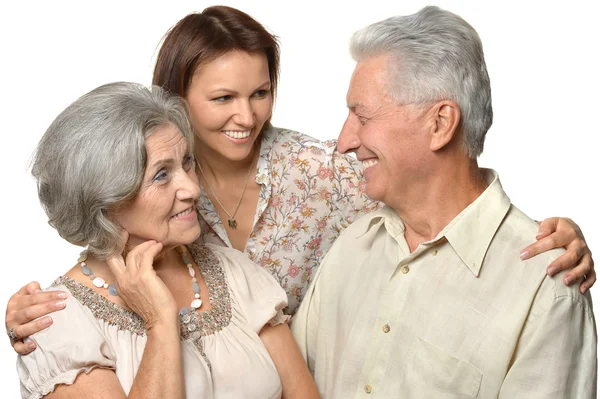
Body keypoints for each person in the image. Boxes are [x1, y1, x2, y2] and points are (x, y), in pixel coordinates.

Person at [5, 6, 596, 355]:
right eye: (222, 98)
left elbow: (432, 204)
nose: (247, 116)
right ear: (174, 100)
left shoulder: (327, 171)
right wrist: (36, 315)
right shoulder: (144, 186)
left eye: (260, 92)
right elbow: (99, 243)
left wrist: (548, 236)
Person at [291, 6, 597, 398]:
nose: (344, 140)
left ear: (439, 124)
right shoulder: (351, 246)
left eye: (361, 116)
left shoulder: (545, 289)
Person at [16, 82, 319, 398]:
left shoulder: (235, 272)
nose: (192, 189)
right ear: (105, 200)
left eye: (187, 162)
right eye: (161, 175)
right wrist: (159, 322)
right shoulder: (55, 322)